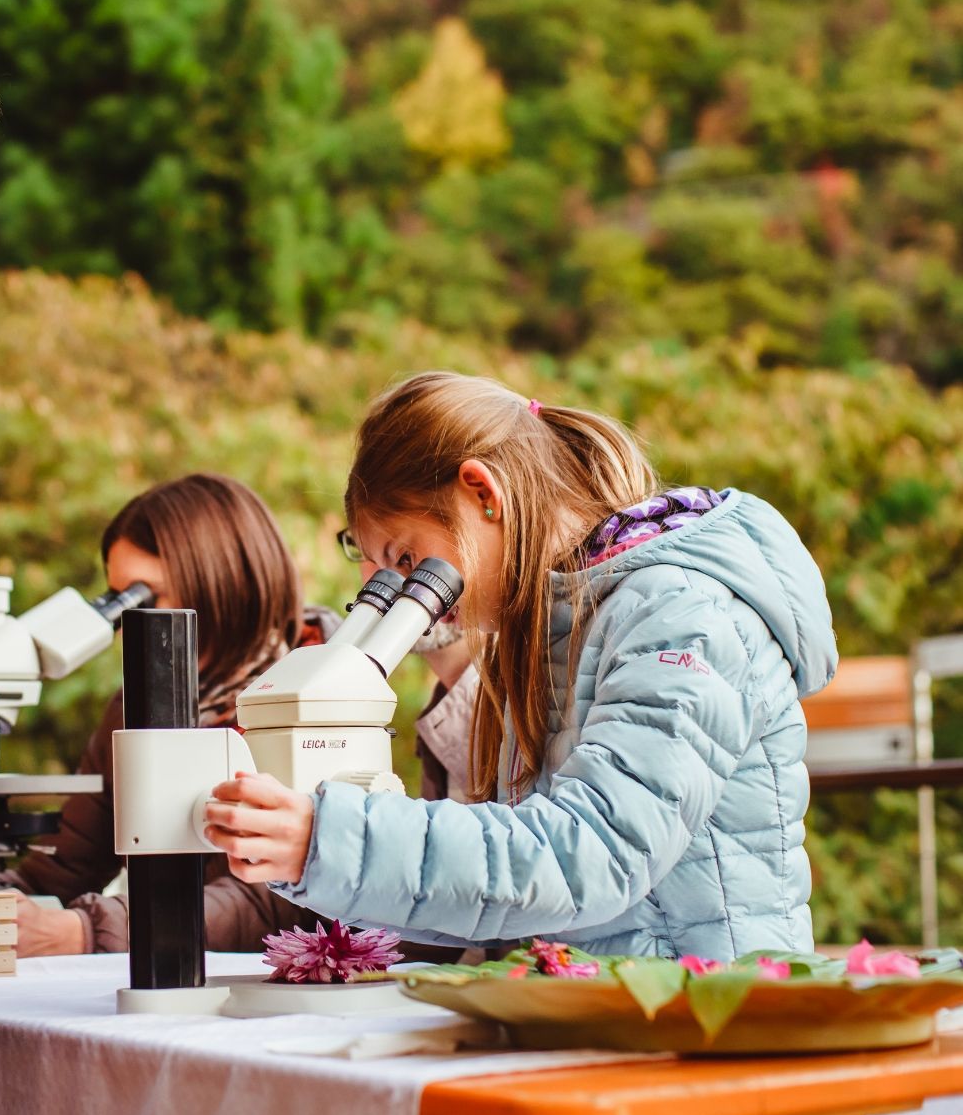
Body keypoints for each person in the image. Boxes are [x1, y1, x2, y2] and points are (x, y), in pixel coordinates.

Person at [205, 371, 837, 962]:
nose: (410, 595)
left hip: (712, 1023)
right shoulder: (550, 628)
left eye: (407, 556)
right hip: (604, 1014)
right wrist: (306, 858)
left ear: (483, 493)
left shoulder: (683, 615)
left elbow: (589, 860)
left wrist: (333, 839)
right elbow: (501, 897)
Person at [6, 474, 335, 955]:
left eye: (145, 599)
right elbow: (58, 873)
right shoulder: (133, 708)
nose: (127, 629)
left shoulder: (323, 692)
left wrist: (86, 931)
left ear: (222, 581)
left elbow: (274, 901)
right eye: (119, 605)